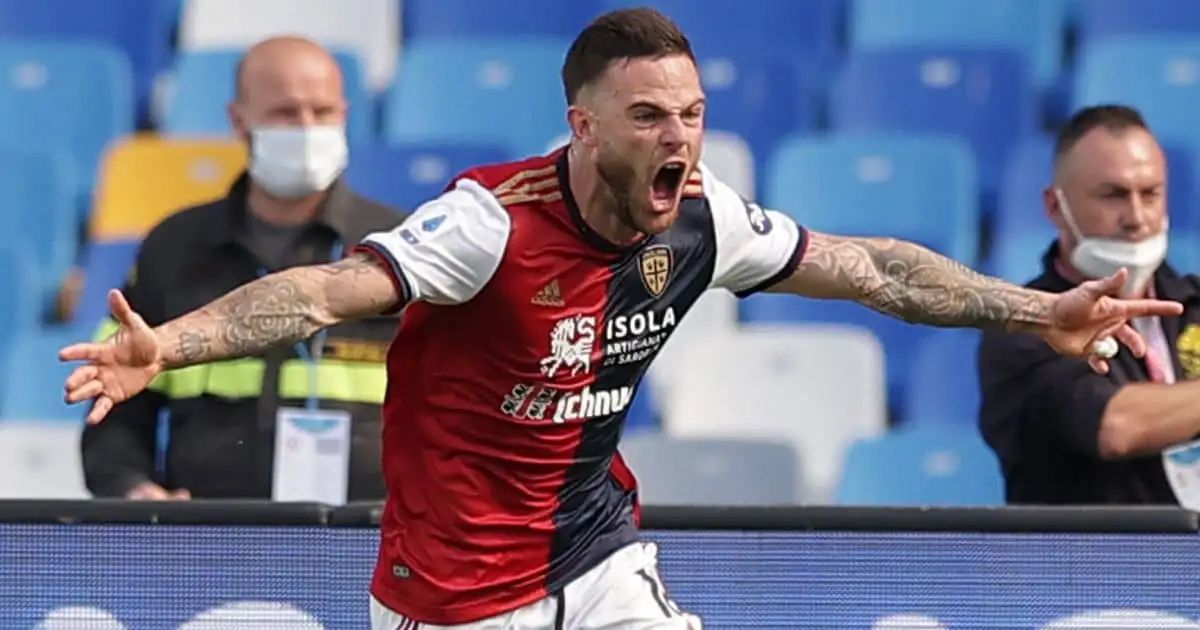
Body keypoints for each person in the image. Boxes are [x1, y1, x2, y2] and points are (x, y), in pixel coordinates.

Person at [60, 10, 1180, 630]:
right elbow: (315, 293)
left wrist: (1034, 309)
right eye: (649, 115)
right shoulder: (487, 224)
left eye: (692, 114)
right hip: (450, 598)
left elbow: (873, 269)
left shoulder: (702, 218)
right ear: (584, 127)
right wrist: (174, 342)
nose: (679, 138)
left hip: (597, 560)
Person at [78, 36, 405, 502]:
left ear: (346, 116)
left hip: (371, 542)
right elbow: (116, 399)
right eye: (286, 114)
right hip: (208, 542)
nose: (307, 128)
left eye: (322, 111)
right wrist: (133, 489)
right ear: (239, 120)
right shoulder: (175, 246)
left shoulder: (397, 247)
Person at [979, 105, 1200, 506]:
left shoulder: (1194, 303)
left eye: (1150, 194)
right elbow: (1116, 427)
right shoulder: (1022, 325)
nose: (1136, 218)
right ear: (1054, 207)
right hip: (1081, 564)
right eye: (1113, 195)